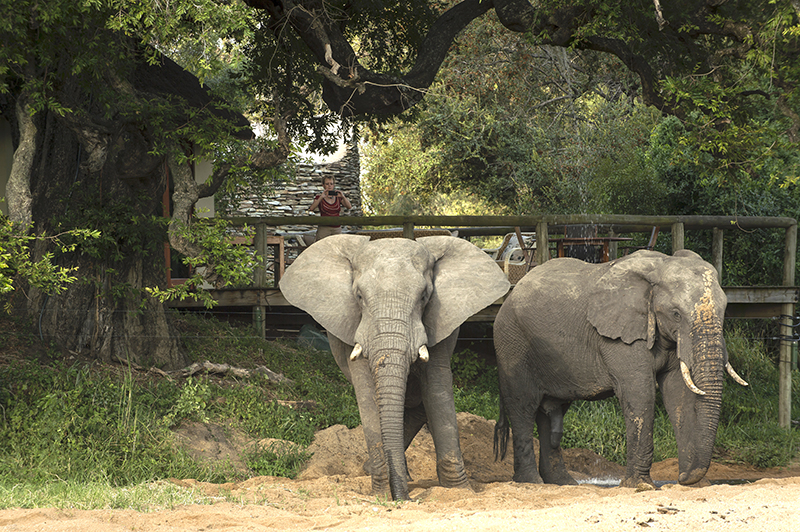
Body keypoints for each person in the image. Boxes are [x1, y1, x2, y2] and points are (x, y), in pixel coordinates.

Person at [309, 176, 352, 240]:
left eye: (331, 184)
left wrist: (343, 197)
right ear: (323, 185)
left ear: (334, 185)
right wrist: (321, 197)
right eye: (327, 184)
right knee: (322, 246)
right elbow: (312, 208)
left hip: (337, 227)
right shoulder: (319, 197)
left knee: (337, 246)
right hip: (324, 228)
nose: (329, 186)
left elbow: (349, 206)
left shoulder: (338, 197)